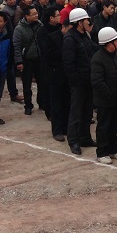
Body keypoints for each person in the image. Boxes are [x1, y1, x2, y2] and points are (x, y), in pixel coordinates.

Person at [91, 27, 117, 164]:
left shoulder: (116, 55)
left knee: (114, 125)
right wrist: (109, 94)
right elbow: (97, 82)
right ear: (108, 43)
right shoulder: (98, 59)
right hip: (104, 101)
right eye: (115, 40)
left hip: (116, 99)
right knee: (104, 126)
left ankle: (113, 149)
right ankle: (102, 152)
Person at [63, 8, 97, 155]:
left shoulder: (85, 36)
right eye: (86, 20)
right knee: (76, 112)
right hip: (78, 83)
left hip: (88, 81)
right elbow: (68, 64)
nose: (88, 22)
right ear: (79, 22)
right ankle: (73, 141)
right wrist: (76, 81)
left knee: (87, 111)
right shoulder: (70, 39)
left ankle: (85, 138)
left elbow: (92, 51)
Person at [36, 7, 69, 141]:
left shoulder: (63, 32)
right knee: (56, 103)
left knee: (66, 101)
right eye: (57, 15)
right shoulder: (45, 34)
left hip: (65, 73)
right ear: (51, 18)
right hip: (53, 72)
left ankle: (66, 127)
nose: (59, 17)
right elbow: (47, 54)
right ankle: (57, 130)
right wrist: (65, 52)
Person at [13, 6, 43, 116]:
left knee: (42, 83)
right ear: (26, 16)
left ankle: (42, 103)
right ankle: (28, 105)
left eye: (36, 13)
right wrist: (19, 62)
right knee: (27, 85)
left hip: (39, 59)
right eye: (33, 14)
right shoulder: (19, 29)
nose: (36, 15)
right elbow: (16, 46)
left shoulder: (40, 25)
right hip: (26, 60)